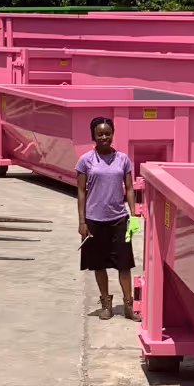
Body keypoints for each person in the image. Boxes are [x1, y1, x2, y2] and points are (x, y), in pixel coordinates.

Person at [77, 116, 141, 322]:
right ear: (93, 137)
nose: (104, 137)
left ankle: (129, 305)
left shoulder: (123, 159)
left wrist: (133, 213)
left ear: (112, 134)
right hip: (94, 219)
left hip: (119, 219)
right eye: (100, 134)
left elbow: (130, 188)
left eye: (107, 133)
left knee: (124, 264)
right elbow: (81, 192)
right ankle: (106, 303)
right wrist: (82, 222)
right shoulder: (86, 160)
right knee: (99, 264)